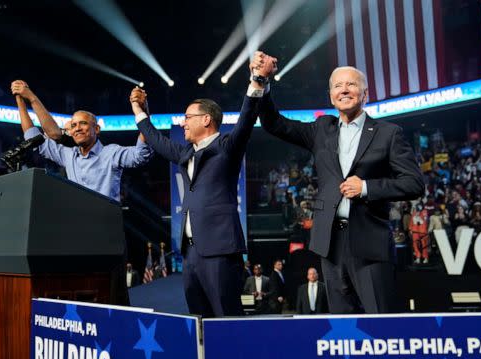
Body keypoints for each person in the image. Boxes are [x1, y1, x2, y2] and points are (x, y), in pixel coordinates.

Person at [249, 51, 424, 314]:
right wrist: (261, 81)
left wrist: (366, 188)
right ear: (331, 96)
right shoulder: (321, 129)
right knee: (343, 330)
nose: (344, 90)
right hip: (329, 243)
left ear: (366, 94)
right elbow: (275, 124)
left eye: (352, 84)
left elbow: (414, 183)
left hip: (370, 244)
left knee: (380, 322)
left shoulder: (389, 134)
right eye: (338, 86)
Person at [129, 85, 261, 317]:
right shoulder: (186, 154)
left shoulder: (227, 147)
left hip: (220, 251)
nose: (183, 123)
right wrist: (138, 109)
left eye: (188, 117)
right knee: (198, 318)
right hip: (191, 253)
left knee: (225, 318)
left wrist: (256, 84)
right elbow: (155, 140)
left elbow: (246, 120)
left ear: (207, 119)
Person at [10, 80, 153, 202]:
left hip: (105, 225)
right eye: (73, 125)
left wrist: (143, 112)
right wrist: (20, 101)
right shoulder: (67, 154)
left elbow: (141, 154)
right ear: (70, 132)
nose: (77, 128)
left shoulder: (111, 153)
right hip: (76, 224)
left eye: (83, 123)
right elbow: (32, 137)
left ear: (96, 129)